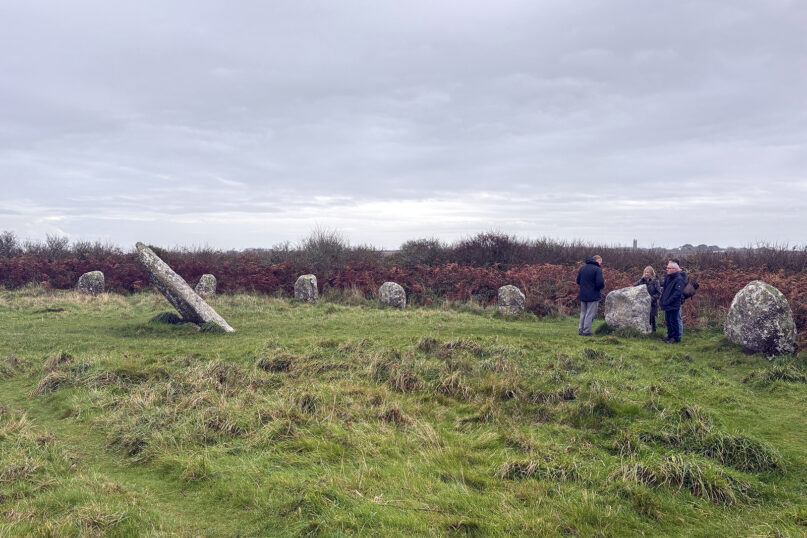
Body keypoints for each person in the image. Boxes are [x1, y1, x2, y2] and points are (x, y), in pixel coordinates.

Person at [576, 255, 604, 336]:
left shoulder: (583, 268)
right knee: (590, 313)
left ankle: (581, 330)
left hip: (583, 294)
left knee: (583, 312)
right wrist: (600, 288)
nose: (600, 264)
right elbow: (600, 283)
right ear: (598, 261)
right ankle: (586, 331)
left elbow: (578, 281)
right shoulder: (597, 269)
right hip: (593, 294)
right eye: (600, 262)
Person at [659, 261, 685, 343]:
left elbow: (677, 293)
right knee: (668, 321)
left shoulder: (679, 279)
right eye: (667, 268)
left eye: (669, 268)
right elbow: (665, 290)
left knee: (674, 321)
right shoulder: (668, 277)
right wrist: (663, 300)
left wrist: (669, 301)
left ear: (675, 269)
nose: (667, 269)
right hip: (667, 303)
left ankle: (675, 338)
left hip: (674, 304)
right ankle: (669, 336)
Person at [633, 266, 661, 332]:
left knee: (651, 317)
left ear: (651, 273)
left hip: (652, 302)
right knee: (643, 316)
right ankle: (643, 330)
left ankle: (653, 331)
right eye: (645, 272)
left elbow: (659, 293)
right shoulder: (641, 280)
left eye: (648, 272)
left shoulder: (655, 281)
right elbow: (634, 286)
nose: (646, 274)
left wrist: (652, 298)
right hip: (643, 302)